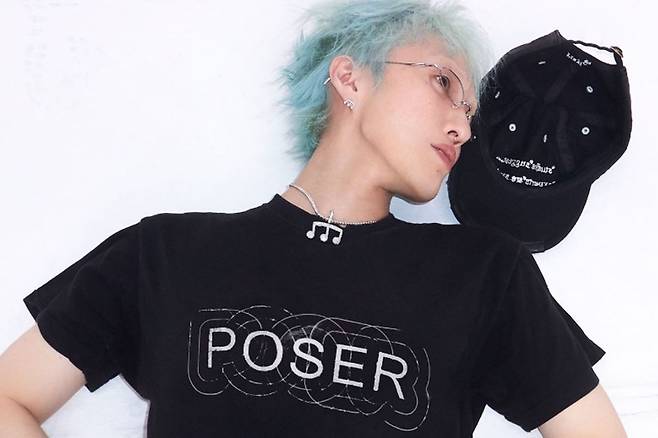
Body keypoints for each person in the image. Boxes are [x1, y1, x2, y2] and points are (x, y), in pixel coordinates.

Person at [0, 0, 627, 436]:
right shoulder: (163, 252)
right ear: (350, 77)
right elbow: (9, 399)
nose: (462, 127)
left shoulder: (487, 275)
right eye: (443, 83)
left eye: (469, 112)